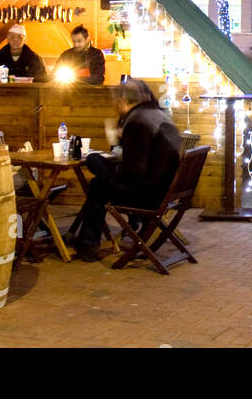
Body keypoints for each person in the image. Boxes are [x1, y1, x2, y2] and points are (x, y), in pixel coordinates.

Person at [74, 79, 182, 262]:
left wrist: (111, 166)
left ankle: (88, 245)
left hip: (146, 195)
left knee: (96, 177)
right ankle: (86, 242)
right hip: (165, 191)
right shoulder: (158, 115)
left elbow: (134, 172)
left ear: (123, 102)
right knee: (99, 183)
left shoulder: (137, 122)